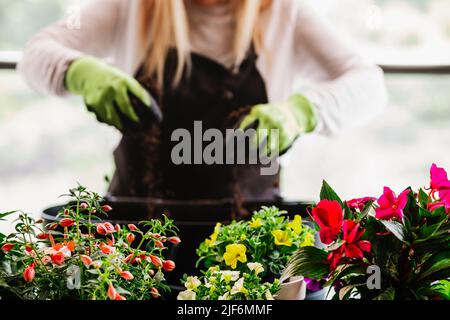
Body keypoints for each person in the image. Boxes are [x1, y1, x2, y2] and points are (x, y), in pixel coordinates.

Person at [18, 0, 387, 279]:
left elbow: (369, 84)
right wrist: (81, 73)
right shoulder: (134, 7)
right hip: (137, 240)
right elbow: (36, 54)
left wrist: (303, 111)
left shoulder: (283, 13)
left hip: (250, 243)